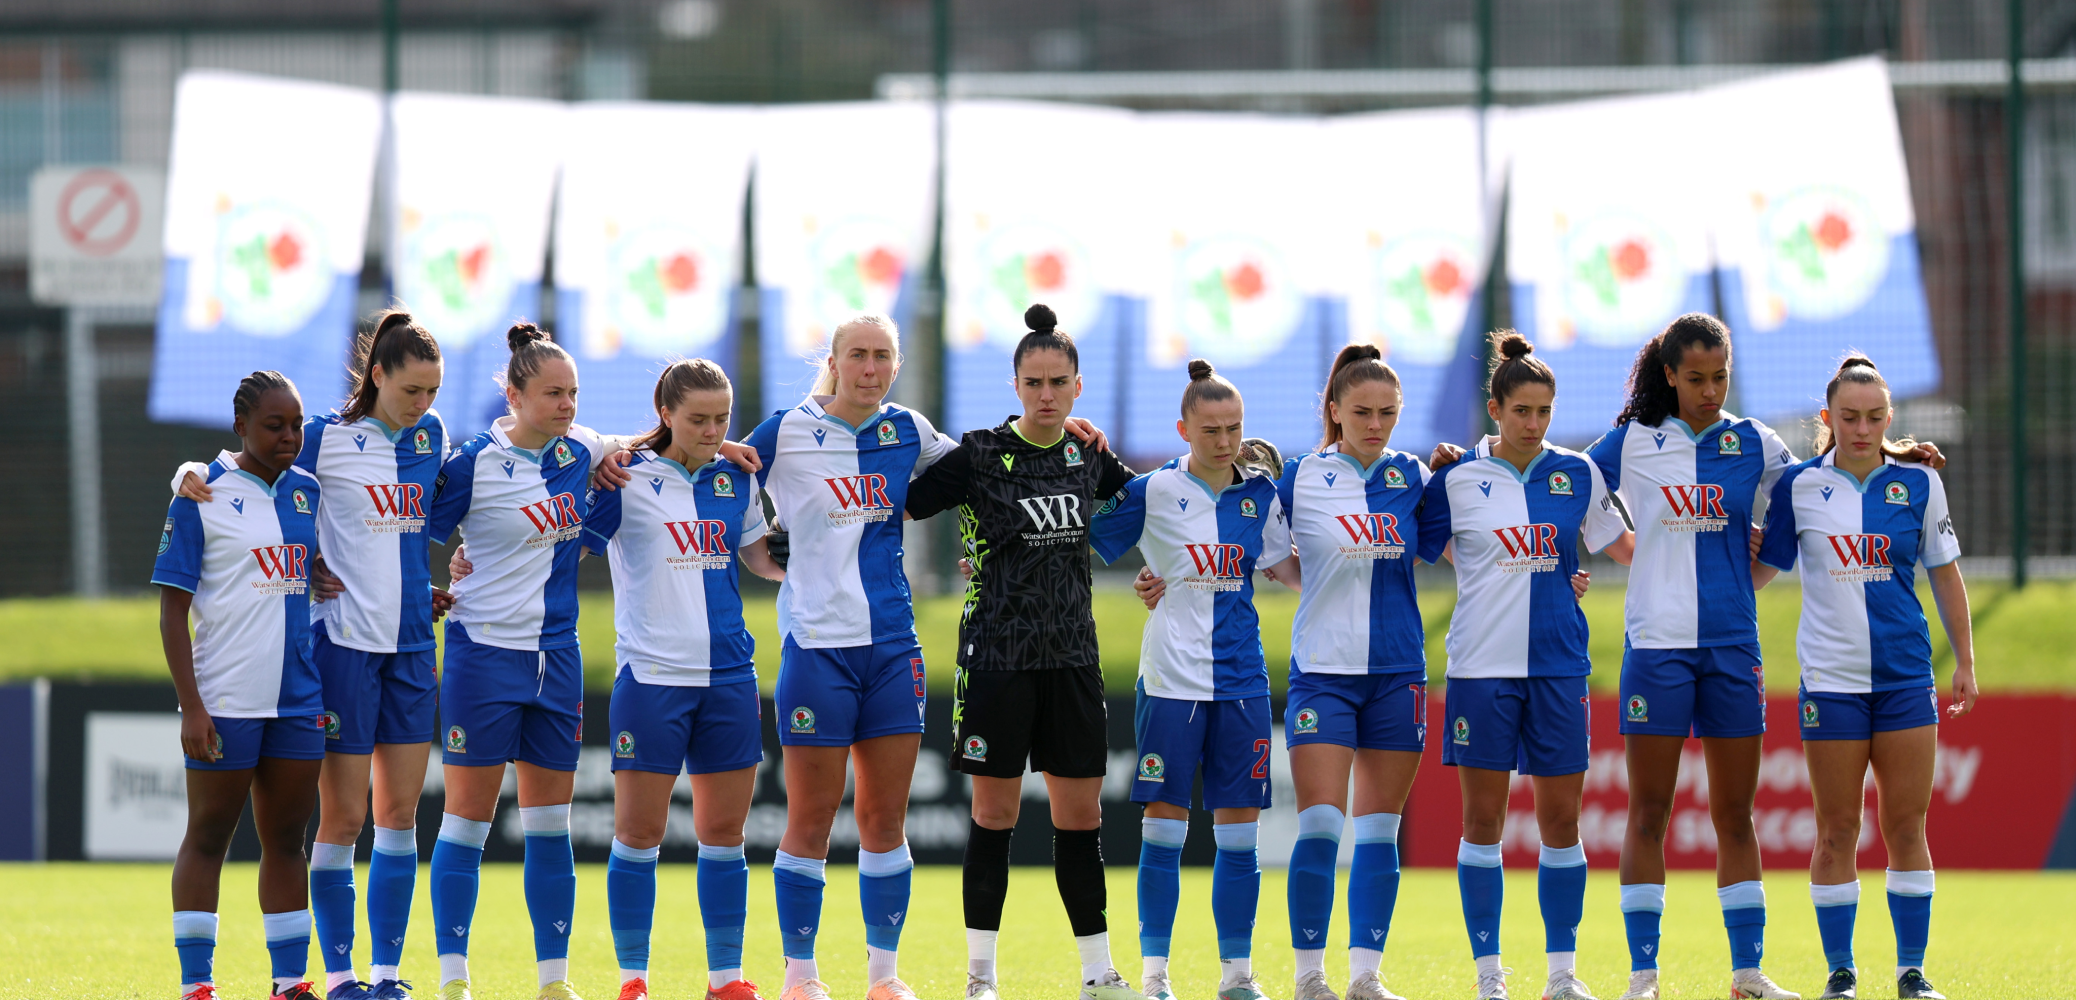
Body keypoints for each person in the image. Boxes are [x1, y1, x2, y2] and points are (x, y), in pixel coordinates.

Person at [1582, 314, 1944, 1000]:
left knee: (1736, 814)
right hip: (1655, 647)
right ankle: (1643, 977)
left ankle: (1747, 975)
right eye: (1696, 378)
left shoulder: (1755, 443)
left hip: (1731, 648)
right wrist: (1615, 543)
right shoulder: (1631, 441)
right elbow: (1557, 476)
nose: (1711, 389)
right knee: (1649, 811)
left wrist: (1896, 453)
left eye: (1721, 376)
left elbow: (1827, 477)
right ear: (1668, 375)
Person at [174, 310, 451, 1000]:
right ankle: (338, 975)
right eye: (411, 390)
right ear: (378, 376)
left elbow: (450, 510)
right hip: (342, 649)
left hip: (415, 646)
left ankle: (385, 976)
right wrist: (184, 471)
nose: (423, 406)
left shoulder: (434, 438)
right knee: (344, 819)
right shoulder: (322, 439)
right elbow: (238, 470)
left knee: (399, 817)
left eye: (432, 393)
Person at [903, 305, 1142, 1000]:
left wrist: (1157, 569)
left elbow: (1151, 508)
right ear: (1014, 384)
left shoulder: (1087, 454)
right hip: (996, 661)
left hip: (1073, 659)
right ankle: (981, 976)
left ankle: (1098, 971)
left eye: (1057, 381)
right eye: (1033, 380)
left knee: (1082, 819)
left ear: (1076, 386)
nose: (1046, 393)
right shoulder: (977, 455)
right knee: (994, 817)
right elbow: (898, 505)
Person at [738, 314, 953, 1000]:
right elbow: (713, 470)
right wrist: (761, 558)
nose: (870, 367)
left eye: (882, 356)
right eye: (857, 355)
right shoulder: (785, 430)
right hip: (816, 651)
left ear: (896, 364)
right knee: (810, 818)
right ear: (834, 361)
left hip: (892, 649)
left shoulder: (910, 430)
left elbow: (983, 468)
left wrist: (1070, 435)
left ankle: (884, 978)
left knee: (884, 820)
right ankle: (801, 977)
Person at [1415, 332, 1634, 1000]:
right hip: (1481, 670)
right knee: (1482, 824)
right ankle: (1489, 978)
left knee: (1561, 824)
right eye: (1521, 412)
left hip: (1560, 668)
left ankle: (1562, 976)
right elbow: (1416, 547)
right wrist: (1487, 572)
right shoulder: (1456, 479)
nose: (1533, 423)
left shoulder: (1578, 474)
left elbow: (1622, 547)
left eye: (1543, 411)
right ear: (1495, 409)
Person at [1753, 355, 1975, 1000]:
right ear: (1827, 418)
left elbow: (1944, 572)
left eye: (1875, 417)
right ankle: (1841, 974)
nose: (1861, 428)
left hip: (1906, 677)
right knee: (1836, 829)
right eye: (1848, 417)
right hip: (1830, 682)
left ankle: (1912, 972)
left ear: (1889, 418)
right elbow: (1763, 570)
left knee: (1907, 826)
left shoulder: (1919, 482)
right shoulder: (1798, 487)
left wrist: (1964, 660)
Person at [1088, 359, 1298, 1000]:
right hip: (1171, 682)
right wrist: (1138, 579)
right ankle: (1156, 978)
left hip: (1242, 683)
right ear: (1184, 428)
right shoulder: (1153, 491)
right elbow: (1080, 545)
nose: (1225, 440)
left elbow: (1290, 571)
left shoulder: (1261, 494)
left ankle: (1238, 976)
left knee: (1239, 836)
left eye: (1234, 427)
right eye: (1211, 429)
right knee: (1165, 832)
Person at [422, 323, 613, 1000]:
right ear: (514, 394)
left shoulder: (583, 449)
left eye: (574, 393)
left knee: (549, 827)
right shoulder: (471, 462)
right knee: (466, 822)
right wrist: (433, 583)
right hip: (482, 655)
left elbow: (652, 448)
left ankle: (554, 981)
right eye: (553, 393)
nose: (567, 405)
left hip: (557, 658)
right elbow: (413, 535)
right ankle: (452, 979)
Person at [584, 360, 784, 1000]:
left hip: (730, 676)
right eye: (697, 418)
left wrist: (814, 555)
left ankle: (725, 978)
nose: (712, 430)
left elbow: (759, 559)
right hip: (651, 679)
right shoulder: (623, 475)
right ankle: (633, 978)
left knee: (725, 837)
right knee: (638, 836)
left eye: (722, 418)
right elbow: (563, 453)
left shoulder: (736, 478)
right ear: (664, 413)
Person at [155, 371, 330, 1000]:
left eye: (296, 425)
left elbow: (321, 564)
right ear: (241, 428)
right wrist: (191, 706)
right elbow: (174, 610)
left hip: (298, 699)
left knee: (288, 842)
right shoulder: (201, 493)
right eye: (273, 425)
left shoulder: (308, 491)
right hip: (225, 697)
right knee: (208, 839)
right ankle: (197, 985)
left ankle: (289, 983)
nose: (288, 437)